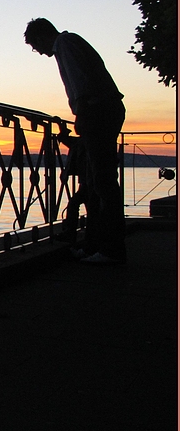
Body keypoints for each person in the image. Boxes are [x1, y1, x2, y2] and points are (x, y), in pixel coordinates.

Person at [24, 18, 126, 265]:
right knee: (96, 183)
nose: (37, 52)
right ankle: (96, 246)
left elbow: (82, 81)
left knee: (102, 182)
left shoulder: (65, 44)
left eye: (34, 46)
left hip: (98, 111)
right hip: (104, 109)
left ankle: (111, 250)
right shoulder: (69, 43)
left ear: (40, 37)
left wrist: (81, 112)